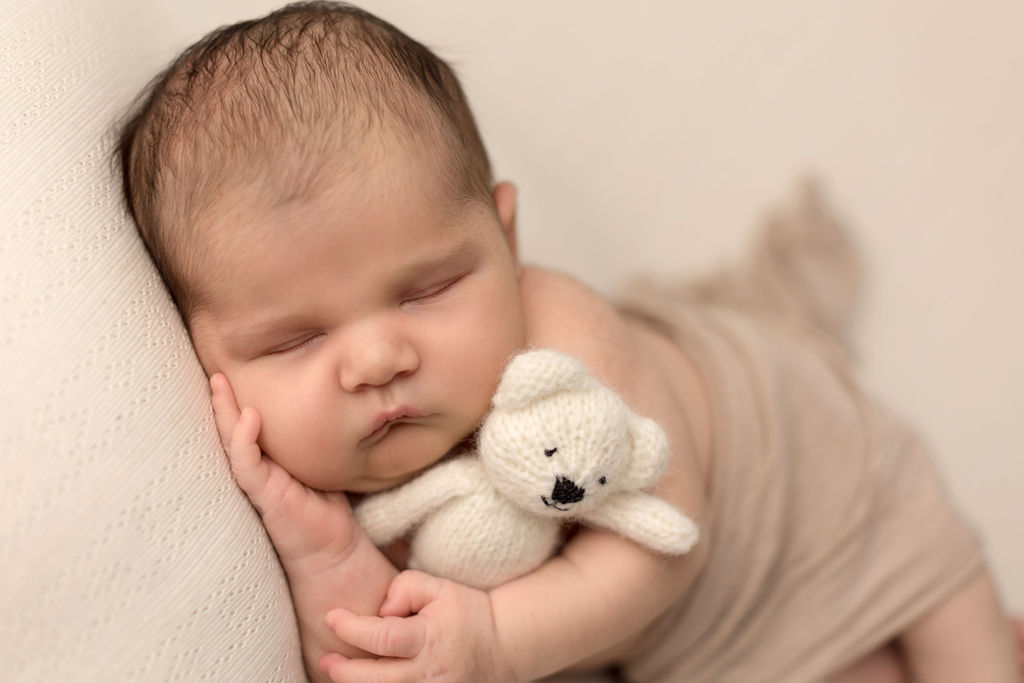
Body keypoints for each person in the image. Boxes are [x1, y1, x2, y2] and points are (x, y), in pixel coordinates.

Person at [116, 2, 1021, 681]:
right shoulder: (303, 468)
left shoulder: (564, 338)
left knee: (964, 644)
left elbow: (665, 544)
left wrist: (499, 642)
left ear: (507, 242)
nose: (375, 359)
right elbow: (369, 650)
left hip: (800, 477)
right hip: (688, 643)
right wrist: (321, 552)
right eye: (293, 340)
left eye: (429, 287)